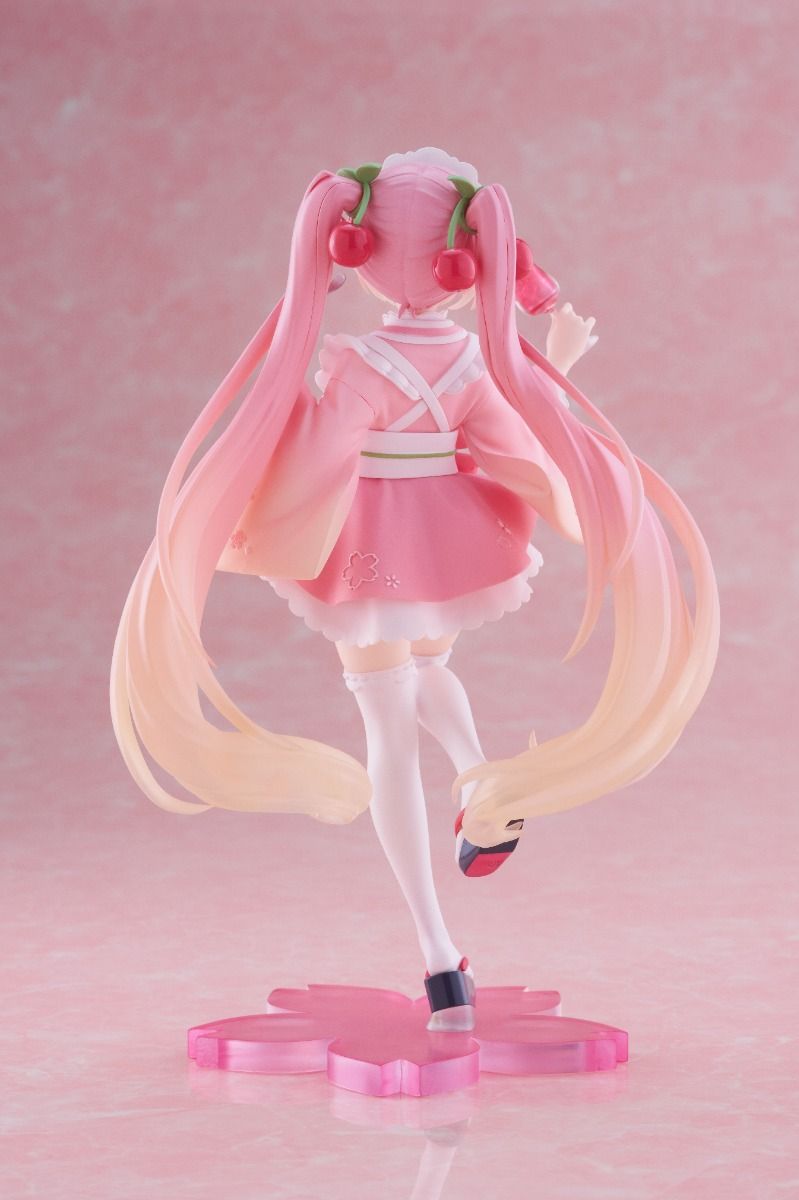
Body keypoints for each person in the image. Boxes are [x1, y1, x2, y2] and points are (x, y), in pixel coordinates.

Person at [111, 147, 719, 1032]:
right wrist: (559, 372)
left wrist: (266, 464)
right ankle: (480, 784)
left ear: (359, 253)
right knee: (428, 668)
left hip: (367, 551)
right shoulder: (472, 360)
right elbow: (524, 455)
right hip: (445, 544)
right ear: (461, 260)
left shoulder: (359, 362)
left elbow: (316, 463)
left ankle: (439, 960)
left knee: (387, 728)